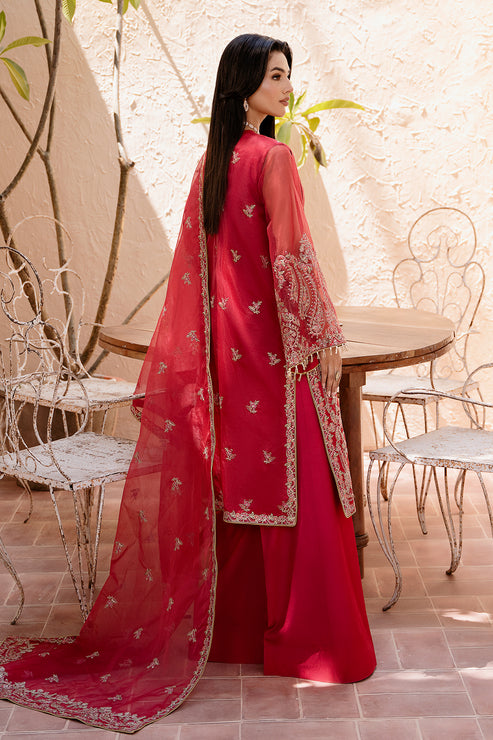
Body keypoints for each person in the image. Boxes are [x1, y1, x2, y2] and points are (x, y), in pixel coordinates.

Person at [0, 33, 375, 733]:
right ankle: (306, 642)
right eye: (274, 76)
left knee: (243, 490)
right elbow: (292, 257)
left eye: (287, 76)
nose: (286, 88)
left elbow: (205, 272)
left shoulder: (212, 162)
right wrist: (323, 337)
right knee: (310, 488)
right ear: (243, 84)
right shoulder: (273, 158)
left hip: (229, 365)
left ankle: (235, 632)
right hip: (277, 360)